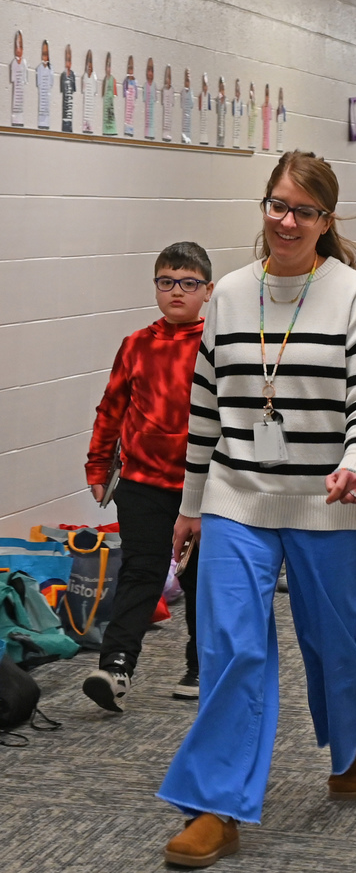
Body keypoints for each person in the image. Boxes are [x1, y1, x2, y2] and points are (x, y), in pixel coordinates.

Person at [158, 150, 356, 869]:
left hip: (330, 500)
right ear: (264, 206)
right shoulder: (229, 293)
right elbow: (205, 407)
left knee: (333, 643)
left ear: (326, 220)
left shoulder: (353, 293)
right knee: (232, 646)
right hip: (238, 495)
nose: (287, 222)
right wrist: (192, 503)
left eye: (304, 211)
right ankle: (216, 804)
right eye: (277, 205)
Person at [82, 242, 214, 713]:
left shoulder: (216, 344)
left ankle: (200, 665)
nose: (177, 291)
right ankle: (115, 667)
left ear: (207, 291)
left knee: (200, 579)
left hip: (204, 486)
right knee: (140, 571)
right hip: (142, 483)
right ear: (156, 287)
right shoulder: (136, 344)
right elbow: (111, 408)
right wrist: (99, 465)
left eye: (189, 283)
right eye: (166, 282)